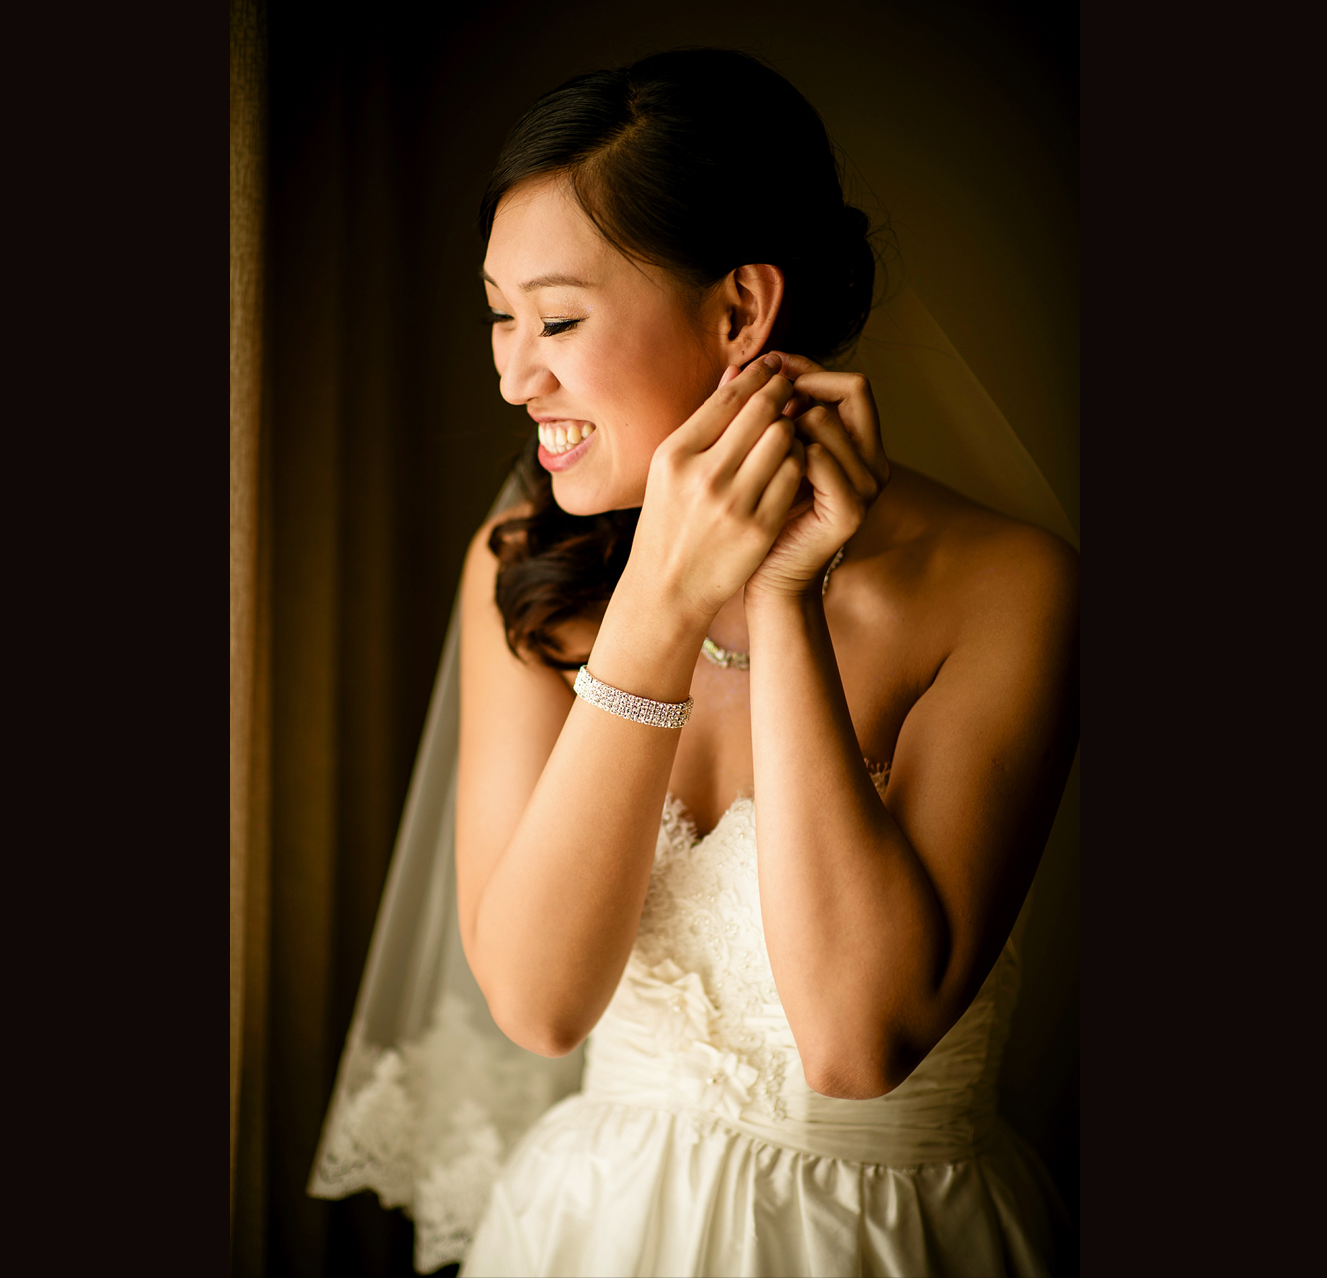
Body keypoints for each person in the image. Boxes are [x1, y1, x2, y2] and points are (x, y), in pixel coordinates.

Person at [310, 48, 1078, 1277]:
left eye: (557, 318)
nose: (515, 373)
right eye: (500, 316)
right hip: (588, 1236)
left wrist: (784, 594)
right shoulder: (520, 572)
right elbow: (539, 1004)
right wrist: (660, 601)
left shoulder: (1012, 590)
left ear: (740, 312)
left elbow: (857, 1042)